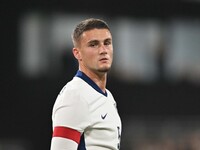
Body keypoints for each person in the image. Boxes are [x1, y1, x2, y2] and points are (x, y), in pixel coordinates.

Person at [50, 18, 122, 150]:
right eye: (94, 44)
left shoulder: (108, 97)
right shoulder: (75, 96)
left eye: (107, 43)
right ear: (77, 53)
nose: (103, 50)